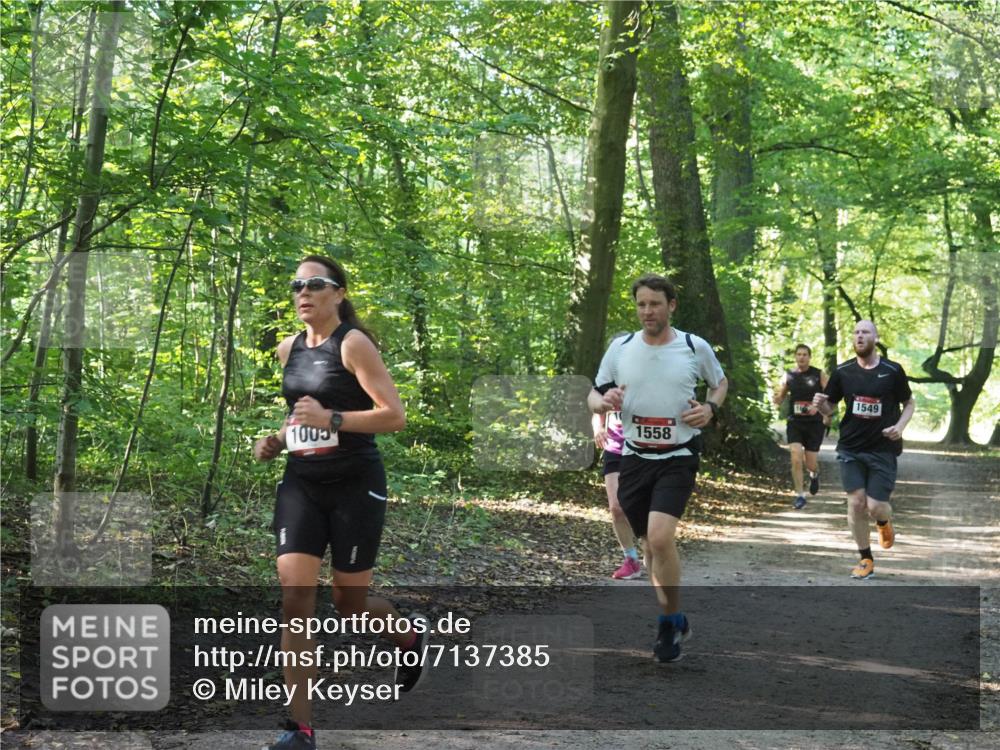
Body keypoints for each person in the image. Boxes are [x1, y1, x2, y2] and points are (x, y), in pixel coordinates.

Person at [253, 255, 426, 750]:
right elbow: (299, 420)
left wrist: (333, 419)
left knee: (350, 604)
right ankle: (299, 729)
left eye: (316, 284)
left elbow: (393, 416)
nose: (303, 292)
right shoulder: (288, 349)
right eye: (297, 286)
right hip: (301, 483)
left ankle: (408, 638)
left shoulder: (353, 343)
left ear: (339, 293)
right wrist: (275, 441)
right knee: (295, 600)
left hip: (355, 484)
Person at [588, 274, 728, 663]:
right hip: (634, 457)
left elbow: (719, 384)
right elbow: (594, 392)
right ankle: (676, 616)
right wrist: (602, 403)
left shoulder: (692, 346)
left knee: (661, 538)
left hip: (678, 456)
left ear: (671, 306)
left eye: (655, 304)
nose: (647, 311)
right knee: (650, 548)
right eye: (641, 304)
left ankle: (667, 623)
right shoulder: (621, 348)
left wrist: (710, 408)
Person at [813, 320, 915, 580]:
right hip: (851, 447)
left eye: (865, 332)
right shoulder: (843, 371)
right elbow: (830, 410)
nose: (860, 336)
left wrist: (900, 427)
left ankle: (884, 521)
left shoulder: (893, 371)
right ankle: (865, 559)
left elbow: (909, 403)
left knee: (876, 506)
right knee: (857, 503)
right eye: (856, 332)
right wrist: (821, 405)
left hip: (883, 448)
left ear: (875, 337)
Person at [592, 331, 641, 580]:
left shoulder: (648, 375)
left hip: (645, 448)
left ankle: (657, 549)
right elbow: (597, 408)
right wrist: (598, 428)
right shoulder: (606, 379)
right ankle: (630, 558)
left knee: (645, 508)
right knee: (616, 507)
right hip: (615, 447)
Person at [772, 344, 828, 509]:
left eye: (805, 354)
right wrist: (776, 398)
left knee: (810, 463)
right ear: (795, 357)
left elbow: (831, 394)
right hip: (795, 422)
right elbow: (780, 397)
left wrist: (817, 408)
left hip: (814, 424)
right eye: (799, 354)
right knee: (796, 457)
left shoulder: (818, 374)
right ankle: (800, 495)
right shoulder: (789, 375)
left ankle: (814, 474)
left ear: (809, 357)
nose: (801, 357)